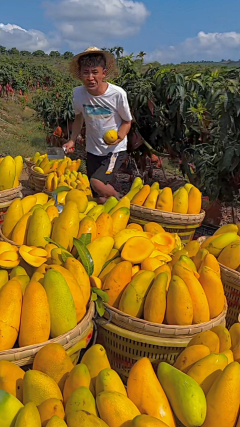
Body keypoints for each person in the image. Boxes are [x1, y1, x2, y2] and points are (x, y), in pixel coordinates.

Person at [63, 46, 132, 202]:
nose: (90, 77)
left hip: (113, 150)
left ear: (103, 73)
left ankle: (122, 200)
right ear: (80, 74)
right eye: (86, 73)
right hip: (93, 150)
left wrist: (119, 137)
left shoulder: (117, 94)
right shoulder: (78, 93)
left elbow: (127, 121)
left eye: (95, 72)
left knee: (96, 182)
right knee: (99, 197)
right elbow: (79, 117)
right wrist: (72, 140)